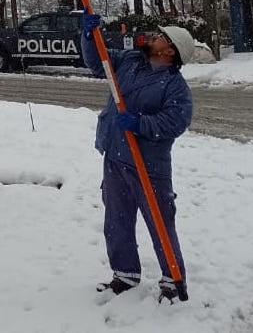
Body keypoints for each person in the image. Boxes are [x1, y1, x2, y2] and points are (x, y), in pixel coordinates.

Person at [80, 15, 195, 303]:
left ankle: (172, 280)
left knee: (160, 222)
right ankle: (125, 274)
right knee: (116, 220)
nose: (152, 38)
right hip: (116, 155)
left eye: (160, 37)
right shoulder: (130, 60)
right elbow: (98, 63)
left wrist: (140, 123)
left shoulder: (174, 86)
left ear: (169, 51)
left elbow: (176, 121)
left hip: (149, 164)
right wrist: (90, 36)